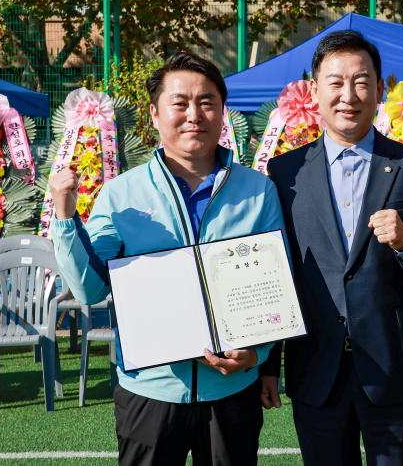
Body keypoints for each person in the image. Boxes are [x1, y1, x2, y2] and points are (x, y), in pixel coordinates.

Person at [49, 52, 284, 465]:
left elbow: (274, 286)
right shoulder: (121, 195)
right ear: (155, 114)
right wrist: (66, 216)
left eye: (207, 102)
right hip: (150, 390)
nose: (194, 115)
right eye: (180, 103)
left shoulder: (258, 191)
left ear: (222, 112)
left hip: (232, 390)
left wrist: (258, 355)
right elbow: (89, 289)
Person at [259, 30, 403, 466]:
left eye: (361, 82)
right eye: (336, 82)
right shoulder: (284, 173)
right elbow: (277, 273)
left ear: (379, 89)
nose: (348, 95)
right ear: (314, 91)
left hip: (397, 368)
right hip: (316, 368)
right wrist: (268, 365)